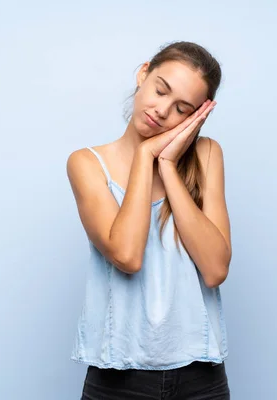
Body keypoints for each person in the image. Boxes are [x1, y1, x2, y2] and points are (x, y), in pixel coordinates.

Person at [66, 41, 232, 400]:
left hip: (200, 376)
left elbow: (216, 269)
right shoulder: (87, 164)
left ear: (194, 117)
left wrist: (168, 166)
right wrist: (145, 155)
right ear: (143, 74)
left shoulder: (206, 156)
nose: (161, 111)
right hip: (117, 378)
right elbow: (127, 256)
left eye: (180, 109)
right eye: (160, 90)